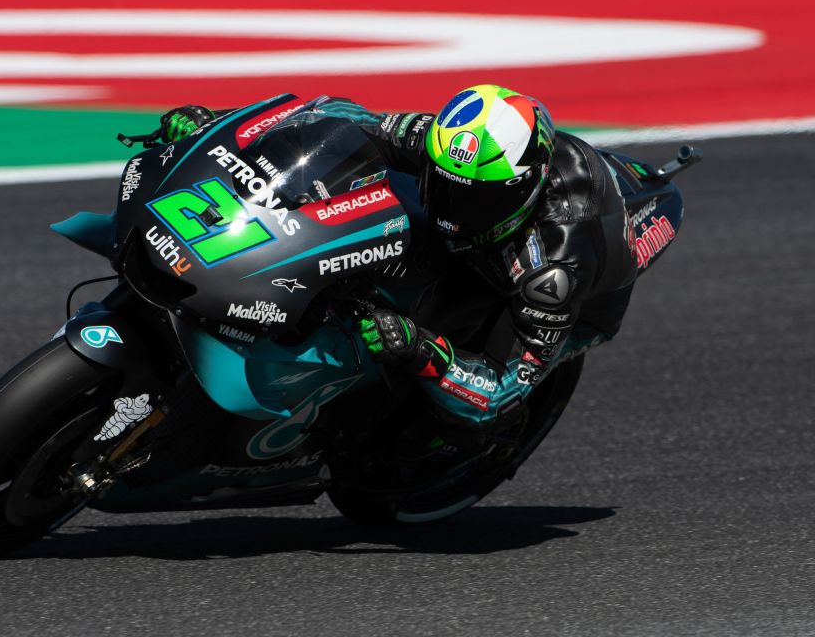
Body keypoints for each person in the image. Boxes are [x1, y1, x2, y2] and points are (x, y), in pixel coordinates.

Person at [155, 85, 639, 434]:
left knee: (455, 399)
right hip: (476, 247)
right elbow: (337, 119)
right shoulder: (446, 145)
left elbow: (501, 390)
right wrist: (218, 125)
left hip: (550, 294)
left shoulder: (553, 268)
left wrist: (421, 347)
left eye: (475, 200)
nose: (454, 209)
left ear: (523, 189)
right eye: (444, 185)